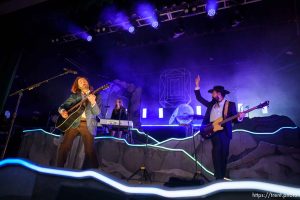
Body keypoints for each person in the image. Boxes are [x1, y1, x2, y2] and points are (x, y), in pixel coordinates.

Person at [194, 75, 245, 180]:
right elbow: (199, 98)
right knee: (216, 152)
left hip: (224, 132)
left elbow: (235, 119)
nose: (212, 95)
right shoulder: (211, 104)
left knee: (224, 154)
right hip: (213, 130)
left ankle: (221, 176)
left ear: (218, 94)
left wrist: (240, 118)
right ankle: (219, 177)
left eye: (213, 93)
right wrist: (197, 85)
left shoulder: (229, 105)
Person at [57, 76, 101, 168]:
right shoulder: (74, 96)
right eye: (81, 82)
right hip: (73, 123)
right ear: (78, 86)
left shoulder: (96, 95)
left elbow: (97, 113)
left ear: (88, 83)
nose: (84, 82)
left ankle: (96, 171)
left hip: (87, 124)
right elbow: (62, 106)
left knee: (89, 150)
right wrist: (63, 112)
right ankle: (58, 169)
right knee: (64, 147)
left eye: (85, 80)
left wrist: (93, 102)